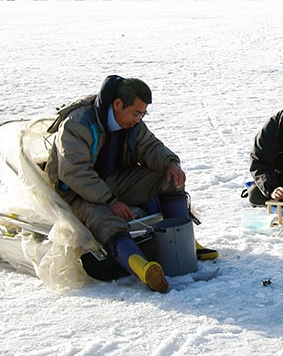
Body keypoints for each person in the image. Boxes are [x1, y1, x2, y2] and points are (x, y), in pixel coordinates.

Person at [46, 75, 194, 292]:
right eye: (136, 113)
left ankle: (184, 245)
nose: (139, 119)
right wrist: (110, 200)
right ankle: (143, 268)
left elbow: (151, 147)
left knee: (170, 178)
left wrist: (171, 163)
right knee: (103, 218)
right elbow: (74, 172)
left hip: (114, 182)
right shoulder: (78, 123)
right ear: (117, 104)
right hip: (77, 191)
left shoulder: (132, 123)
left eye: (143, 114)